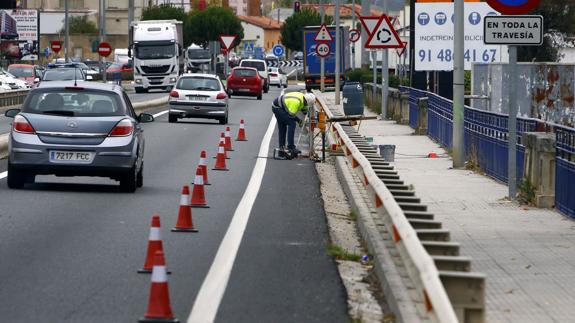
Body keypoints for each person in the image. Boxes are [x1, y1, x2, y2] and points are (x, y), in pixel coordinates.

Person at [271, 91, 316, 157]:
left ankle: (281, 149)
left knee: (282, 127)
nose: (307, 105)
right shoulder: (296, 102)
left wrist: (308, 116)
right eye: (307, 104)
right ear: (306, 101)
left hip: (280, 106)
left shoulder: (304, 99)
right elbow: (291, 115)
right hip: (277, 108)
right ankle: (291, 147)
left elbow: (305, 111)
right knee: (291, 123)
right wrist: (299, 120)